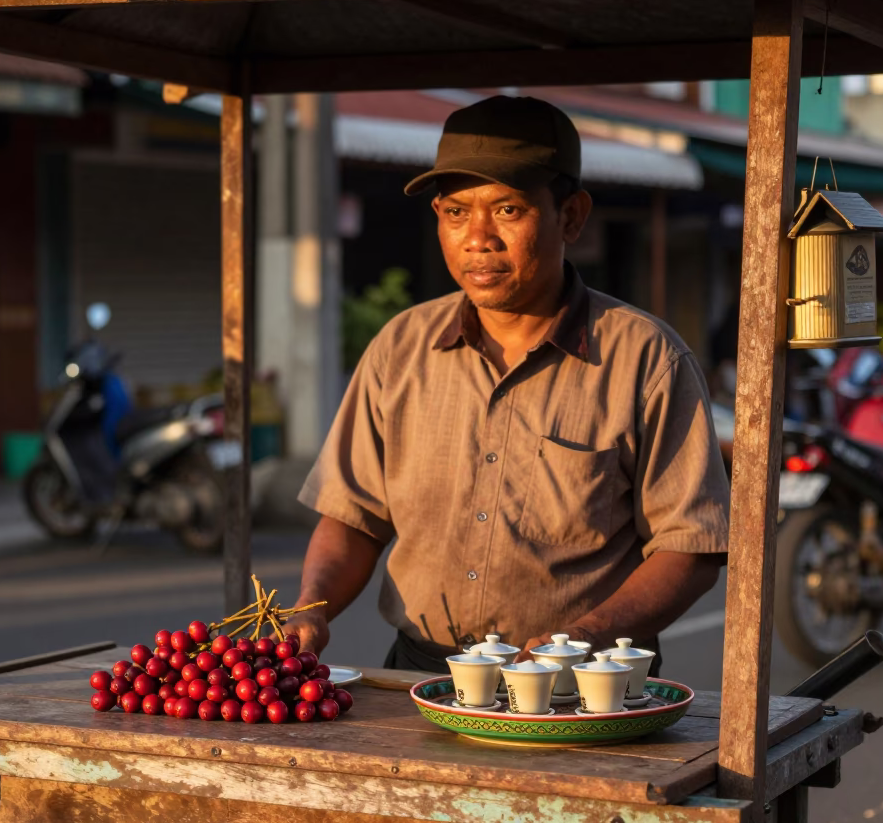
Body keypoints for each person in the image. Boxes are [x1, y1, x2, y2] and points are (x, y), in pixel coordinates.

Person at [286, 95, 729, 672]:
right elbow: (353, 517)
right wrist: (309, 608)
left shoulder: (647, 359)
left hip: (583, 686)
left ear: (570, 215)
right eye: (455, 213)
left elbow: (690, 545)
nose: (478, 238)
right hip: (420, 677)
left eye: (508, 211)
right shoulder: (401, 349)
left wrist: (584, 636)